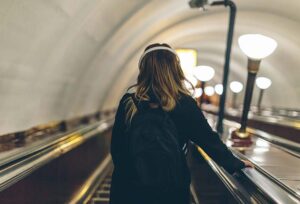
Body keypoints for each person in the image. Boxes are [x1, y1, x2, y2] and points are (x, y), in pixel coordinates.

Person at [109, 43, 253, 204]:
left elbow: (117, 148)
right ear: (176, 69)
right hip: (170, 189)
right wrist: (235, 163)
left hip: (130, 190)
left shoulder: (129, 102)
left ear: (144, 69)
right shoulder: (184, 103)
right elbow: (207, 139)